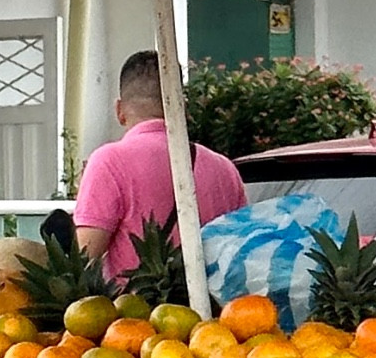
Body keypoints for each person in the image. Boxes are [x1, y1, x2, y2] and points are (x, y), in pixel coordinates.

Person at [74, 50, 247, 280]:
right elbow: (242, 252)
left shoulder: (108, 162)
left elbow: (85, 259)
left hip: (136, 312)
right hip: (220, 313)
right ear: (181, 106)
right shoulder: (225, 169)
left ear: (119, 111)